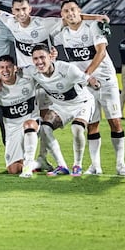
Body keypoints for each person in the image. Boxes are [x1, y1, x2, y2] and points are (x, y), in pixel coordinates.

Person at [55, 0, 125, 175]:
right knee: (92, 124)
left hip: (105, 81)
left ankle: (120, 164)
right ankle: (95, 166)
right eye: (66, 11)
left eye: (73, 9)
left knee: (115, 121)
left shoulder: (93, 27)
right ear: (62, 15)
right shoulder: (62, 33)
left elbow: (101, 52)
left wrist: (87, 75)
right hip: (85, 85)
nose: (70, 13)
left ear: (79, 10)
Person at [27, 44, 99, 177]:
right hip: (61, 106)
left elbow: (88, 79)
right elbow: (15, 72)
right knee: (45, 128)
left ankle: (77, 165)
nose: (39, 62)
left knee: (77, 129)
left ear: (50, 57)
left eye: (42, 57)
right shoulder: (32, 71)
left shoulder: (67, 69)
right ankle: (62, 166)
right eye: (35, 59)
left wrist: (95, 83)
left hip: (81, 103)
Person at [0, 55, 42, 176]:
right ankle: (38, 163)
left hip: (32, 123)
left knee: (28, 124)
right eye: (2, 67)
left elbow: (44, 72)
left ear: (15, 68)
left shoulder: (27, 78)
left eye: (8, 67)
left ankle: (28, 167)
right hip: (12, 130)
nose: (5, 70)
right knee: (13, 170)